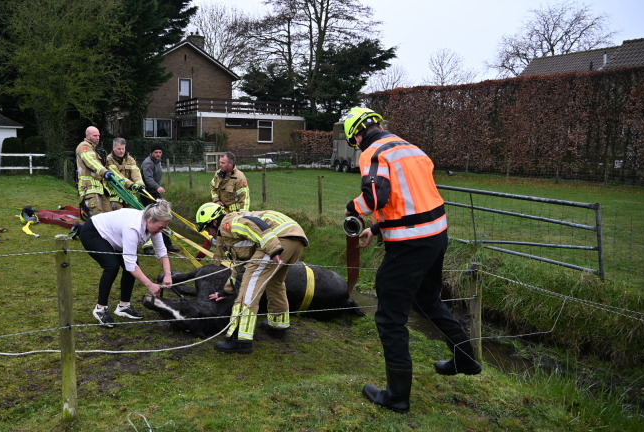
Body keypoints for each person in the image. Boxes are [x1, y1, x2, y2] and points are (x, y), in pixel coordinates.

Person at [342, 107, 481, 413]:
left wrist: (352, 209)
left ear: (356, 136)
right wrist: (377, 228)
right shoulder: (411, 148)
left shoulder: (373, 153)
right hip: (437, 235)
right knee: (428, 301)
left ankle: (397, 397)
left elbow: (375, 197)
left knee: (390, 317)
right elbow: (411, 199)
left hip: (409, 245)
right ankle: (466, 358)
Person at [195, 202, 308, 354]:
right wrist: (226, 291)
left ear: (215, 222)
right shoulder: (231, 233)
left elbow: (255, 224)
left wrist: (273, 250)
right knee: (275, 283)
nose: (209, 234)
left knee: (249, 287)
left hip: (277, 240)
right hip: (295, 238)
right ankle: (278, 326)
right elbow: (238, 266)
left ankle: (240, 339)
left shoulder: (229, 224)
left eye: (207, 229)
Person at [79, 199, 174, 327]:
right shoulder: (133, 227)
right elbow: (130, 264)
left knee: (134, 268)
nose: (161, 231)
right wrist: (149, 284)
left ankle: (123, 307)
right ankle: (100, 309)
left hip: (115, 238)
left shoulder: (155, 227)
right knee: (112, 266)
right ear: (150, 219)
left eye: (164, 227)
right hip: (94, 232)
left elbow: (162, 252)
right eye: (160, 227)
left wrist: (168, 274)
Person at [75, 126, 130, 221]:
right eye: (95, 135)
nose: (98, 137)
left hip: (101, 189)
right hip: (89, 188)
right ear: (87, 136)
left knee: (108, 216)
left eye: (98, 135)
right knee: (97, 217)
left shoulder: (97, 149)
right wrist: (105, 172)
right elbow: (91, 162)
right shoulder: (84, 146)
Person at [140, 142, 179, 253]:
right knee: (149, 219)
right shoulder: (147, 163)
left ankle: (167, 244)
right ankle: (147, 247)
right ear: (151, 153)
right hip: (147, 194)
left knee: (164, 217)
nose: (158, 154)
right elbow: (148, 179)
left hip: (156, 194)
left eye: (160, 152)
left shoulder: (158, 162)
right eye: (156, 152)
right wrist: (158, 187)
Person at [106, 137, 144, 210]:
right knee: (118, 217)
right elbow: (117, 175)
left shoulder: (130, 159)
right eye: (119, 149)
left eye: (123, 149)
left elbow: (135, 173)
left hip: (129, 195)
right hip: (115, 194)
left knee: (132, 216)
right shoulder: (109, 159)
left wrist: (140, 185)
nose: (121, 151)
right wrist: (131, 185)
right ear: (113, 148)